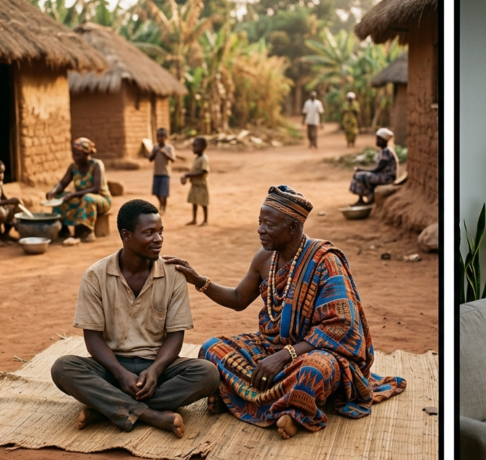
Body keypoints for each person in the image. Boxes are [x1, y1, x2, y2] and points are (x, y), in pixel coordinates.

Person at [163, 185, 406, 439]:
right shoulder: (264, 258)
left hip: (311, 352)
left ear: (292, 227)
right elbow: (238, 299)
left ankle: (289, 409)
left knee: (315, 370)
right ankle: (287, 404)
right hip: (271, 345)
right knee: (211, 350)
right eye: (259, 222)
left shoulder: (325, 261)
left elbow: (340, 327)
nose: (260, 229)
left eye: (268, 224)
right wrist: (198, 279)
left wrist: (285, 356)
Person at [50, 199, 219, 438]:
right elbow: (93, 338)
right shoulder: (95, 275)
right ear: (126, 235)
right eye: (149, 233)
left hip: (158, 368)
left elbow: (175, 336)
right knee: (63, 368)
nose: (158, 239)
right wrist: (119, 372)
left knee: (207, 374)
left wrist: (156, 370)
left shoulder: (174, 274)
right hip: (111, 367)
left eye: (160, 232)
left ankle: (108, 409)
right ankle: (151, 415)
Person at [46, 137, 111, 242]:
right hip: (81, 197)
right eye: (74, 155)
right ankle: (63, 228)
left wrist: (73, 195)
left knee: (88, 198)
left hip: (101, 199)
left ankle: (87, 231)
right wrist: (53, 192)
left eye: (78, 155)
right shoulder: (73, 167)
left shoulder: (97, 165)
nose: (75, 158)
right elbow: (62, 184)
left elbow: (96, 189)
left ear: (87, 154)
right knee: (61, 197)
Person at [349, 128, 399, 206]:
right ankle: (365, 197)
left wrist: (362, 170)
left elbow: (377, 169)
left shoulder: (387, 152)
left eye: (379, 139)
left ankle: (367, 196)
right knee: (360, 174)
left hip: (387, 178)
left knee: (360, 175)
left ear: (384, 140)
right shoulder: (384, 151)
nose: (377, 141)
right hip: (383, 176)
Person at [180, 137, 210, 226]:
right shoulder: (197, 158)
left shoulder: (204, 159)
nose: (193, 148)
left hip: (201, 185)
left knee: (203, 203)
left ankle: (205, 220)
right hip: (195, 184)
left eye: (195, 146)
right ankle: (194, 219)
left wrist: (188, 175)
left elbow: (203, 171)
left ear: (202, 147)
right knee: (194, 202)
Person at [148, 128, 175, 214]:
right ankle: (161, 204)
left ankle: (163, 208)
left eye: (162, 136)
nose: (160, 138)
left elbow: (173, 159)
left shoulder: (169, 147)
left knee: (164, 193)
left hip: (165, 173)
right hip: (156, 173)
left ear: (166, 137)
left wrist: (165, 154)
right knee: (156, 192)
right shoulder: (155, 147)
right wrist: (154, 152)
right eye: (158, 136)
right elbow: (150, 159)